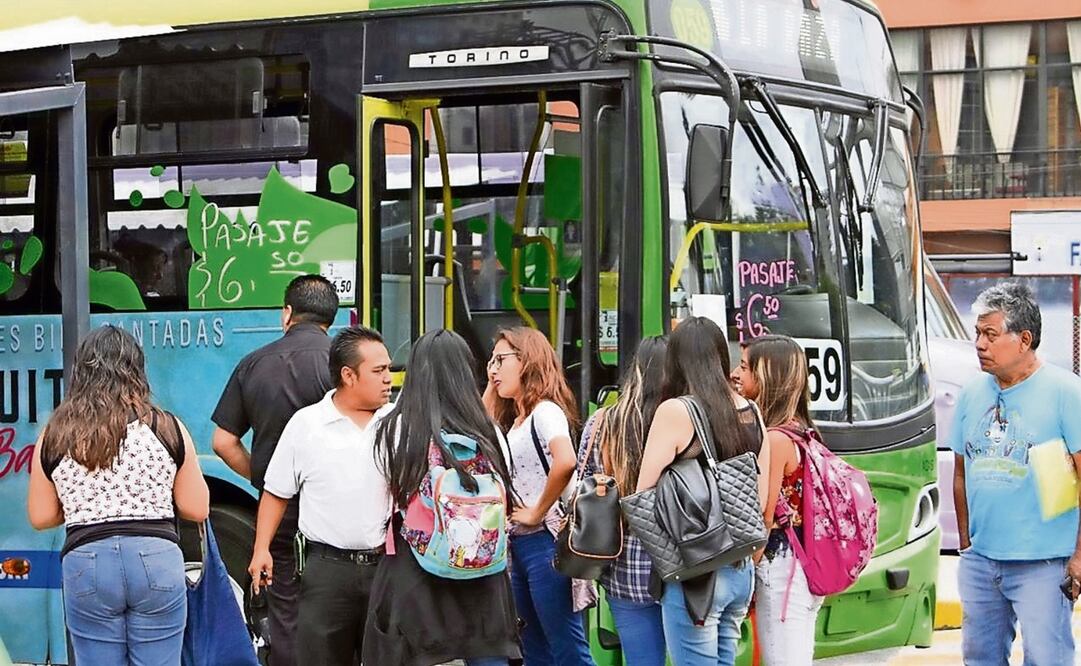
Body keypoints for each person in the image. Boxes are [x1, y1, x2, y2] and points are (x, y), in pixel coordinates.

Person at [28, 325, 210, 664]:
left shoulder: (56, 433)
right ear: (137, 371)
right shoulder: (166, 426)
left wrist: (87, 504)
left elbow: (40, 516)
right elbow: (197, 508)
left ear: (80, 372)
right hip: (156, 560)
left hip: (87, 563)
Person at [365, 329, 521, 666]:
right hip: (484, 577)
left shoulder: (393, 426)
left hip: (417, 577)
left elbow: (376, 509)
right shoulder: (489, 430)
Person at [951, 282, 1081, 665]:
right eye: (977, 333)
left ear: (1024, 340)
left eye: (991, 334)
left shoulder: (1066, 392)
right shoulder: (972, 393)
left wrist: (1079, 556)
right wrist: (966, 545)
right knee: (980, 658)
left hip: (1044, 563)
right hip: (982, 560)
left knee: (1046, 659)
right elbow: (961, 472)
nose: (979, 343)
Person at [247, 326, 394, 666]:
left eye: (388, 368)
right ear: (348, 375)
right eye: (379, 370)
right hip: (326, 572)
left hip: (386, 569)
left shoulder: (396, 422)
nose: (389, 378)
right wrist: (261, 549)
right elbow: (276, 492)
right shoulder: (307, 424)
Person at [212, 274, 338, 665]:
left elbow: (223, 441)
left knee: (284, 613)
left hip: (279, 516)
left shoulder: (254, 363)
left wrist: (267, 483)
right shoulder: (343, 364)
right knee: (338, 610)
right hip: (334, 515)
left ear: (287, 313)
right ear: (330, 318)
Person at [636, 317, 769, 666]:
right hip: (741, 572)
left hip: (697, 574)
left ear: (675, 361)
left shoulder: (677, 411)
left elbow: (642, 494)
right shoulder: (751, 411)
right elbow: (762, 495)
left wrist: (670, 563)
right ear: (721, 357)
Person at [483, 326, 594, 666]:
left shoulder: (546, 412)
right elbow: (479, 428)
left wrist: (535, 510)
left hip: (546, 541)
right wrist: (491, 384)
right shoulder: (516, 420)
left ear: (528, 361)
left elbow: (566, 461)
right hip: (520, 545)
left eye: (501, 360)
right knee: (533, 647)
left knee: (565, 646)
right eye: (491, 361)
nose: (493, 368)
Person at [578, 336, 668, 666]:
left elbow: (582, 483)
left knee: (642, 658)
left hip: (623, 563)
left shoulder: (602, 422)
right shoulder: (683, 423)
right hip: (681, 561)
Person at [736, 335, 823, 666]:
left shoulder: (775, 438)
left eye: (745, 367)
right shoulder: (801, 429)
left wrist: (747, 567)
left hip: (782, 566)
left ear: (767, 376)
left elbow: (765, 514)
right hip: (802, 562)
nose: (735, 374)